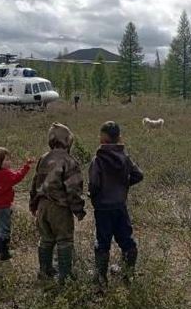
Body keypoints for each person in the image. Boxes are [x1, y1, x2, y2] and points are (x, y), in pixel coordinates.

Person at [88, 121, 143, 288]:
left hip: (103, 208)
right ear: (118, 137)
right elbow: (138, 175)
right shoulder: (125, 157)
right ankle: (127, 274)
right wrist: (123, 185)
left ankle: (101, 279)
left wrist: (94, 197)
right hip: (120, 205)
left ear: (102, 139)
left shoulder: (98, 160)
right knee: (127, 240)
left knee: (102, 242)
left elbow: (94, 184)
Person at [29, 122, 86, 285]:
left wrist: (33, 203)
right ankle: (65, 276)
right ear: (68, 141)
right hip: (59, 207)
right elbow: (73, 188)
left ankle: (44, 271)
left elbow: (35, 181)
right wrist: (78, 209)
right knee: (64, 240)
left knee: (46, 239)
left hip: (42, 205)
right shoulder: (69, 160)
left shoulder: (43, 158)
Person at [0, 147, 34, 261]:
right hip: (3, 206)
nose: (9, 162)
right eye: (6, 160)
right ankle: (4, 252)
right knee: (5, 228)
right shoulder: (5, 174)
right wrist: (26, 166)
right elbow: (18, 177)